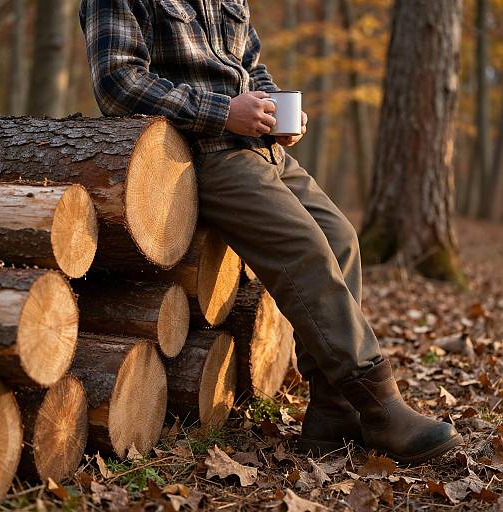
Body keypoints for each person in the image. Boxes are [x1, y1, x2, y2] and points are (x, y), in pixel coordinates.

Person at [80, 0, 463, 464]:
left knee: (341, 239)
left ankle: (332, 415)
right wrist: (223, 111)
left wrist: (274, 110)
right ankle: (379, 405)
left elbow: (250, 66)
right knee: (305, 250)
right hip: (198, 151)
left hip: (262, 148)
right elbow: (118, 84)